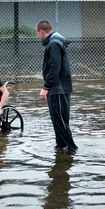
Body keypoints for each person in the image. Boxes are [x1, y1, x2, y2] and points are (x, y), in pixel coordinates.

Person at [36, 20, 77, 153]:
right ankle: (60, 146)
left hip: (57, 89)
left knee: (59, 121)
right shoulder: (57, 42)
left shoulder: (53, 44)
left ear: (42, 31)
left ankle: (72, 149)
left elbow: (54, 67)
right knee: (60, 120)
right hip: (61, 88)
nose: (38, 37)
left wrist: (46, 87)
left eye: (38, 34)